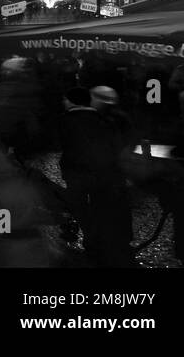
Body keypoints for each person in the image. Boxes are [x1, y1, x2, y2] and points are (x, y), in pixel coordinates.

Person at [59, 86, 131, 267]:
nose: (63, 102)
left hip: (76, 173)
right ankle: (103, 240)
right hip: (103, 173)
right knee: (102, 206)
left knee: (80, 207)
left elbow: (60, 143)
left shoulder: (65, 120)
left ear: (71, 100)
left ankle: (92, 239)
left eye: (65, 99)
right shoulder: (105, 119)